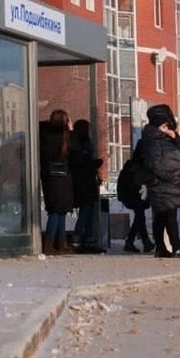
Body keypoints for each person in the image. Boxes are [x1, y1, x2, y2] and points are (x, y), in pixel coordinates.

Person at [136, 103, 180, 258]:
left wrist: (174, 136)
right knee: (168, 214)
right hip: (161, 183)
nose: (168, 127)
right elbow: (154, 163)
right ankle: (176, 246)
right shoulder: (152, 139)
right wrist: (171, 176)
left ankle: (161, 247)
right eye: (165, 125)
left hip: (169, 182)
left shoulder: (164, 138)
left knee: (162, 216)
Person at [38, 109, 75, 255]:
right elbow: (74, 152)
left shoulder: (44, 134)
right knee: (58, 211)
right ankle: (54, 242)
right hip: (62, 177)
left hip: (49, 177)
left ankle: (57, 243)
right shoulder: (65, 136)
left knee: (57, 210)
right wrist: (71, 131)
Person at [69, 118, 105, 254]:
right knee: (85, 213)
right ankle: (80, 240)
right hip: (83, 182)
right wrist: (94, 165)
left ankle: (85, 240)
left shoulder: (82, 143)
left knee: (88, 212)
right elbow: (80, 164)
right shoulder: (79, 144)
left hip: (87, 182)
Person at [116, 145, 155, 253]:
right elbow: (137, 183)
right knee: (139, 217)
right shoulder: (137, 167)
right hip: (134, 196)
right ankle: (135, 241)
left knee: (140, 218)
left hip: (130, 196)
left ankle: (141, 242)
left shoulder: (131, 165)